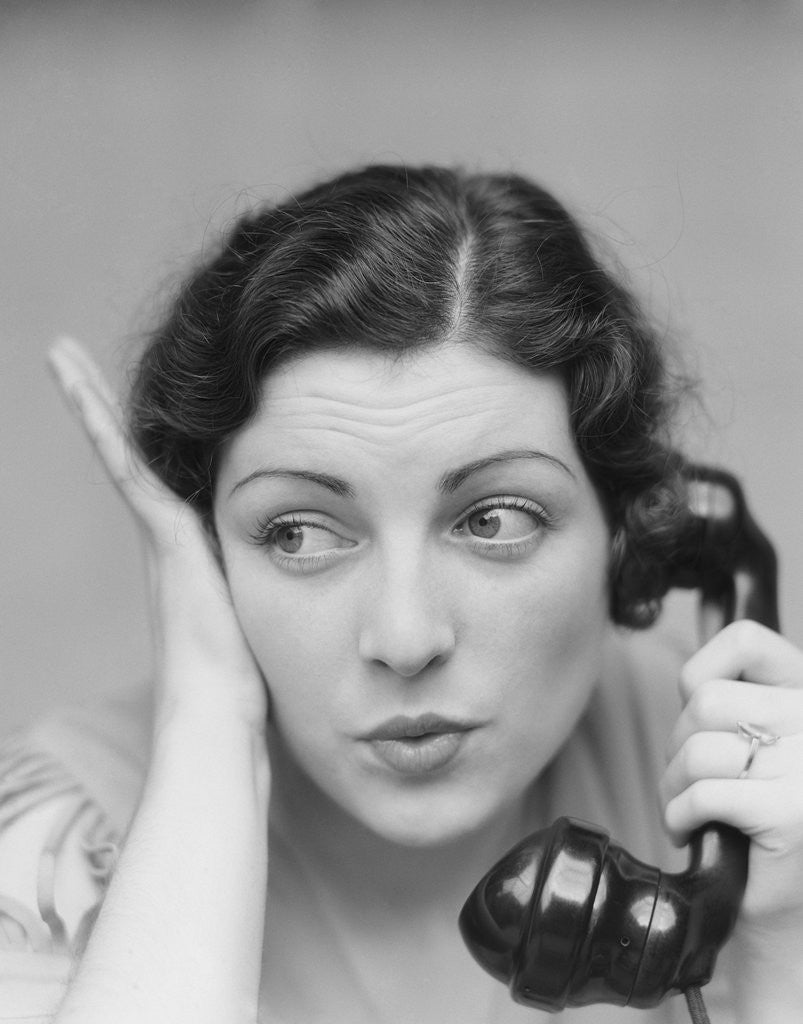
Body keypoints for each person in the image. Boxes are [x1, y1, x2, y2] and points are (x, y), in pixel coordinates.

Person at [1, 164, 802, 1024]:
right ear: (203, 557)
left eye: (494, 520)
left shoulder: (720, 775)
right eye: (297, 533)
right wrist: (206, 727)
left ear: (630, 534)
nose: (405, 636)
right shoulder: (52, 845)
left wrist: (781, 953)